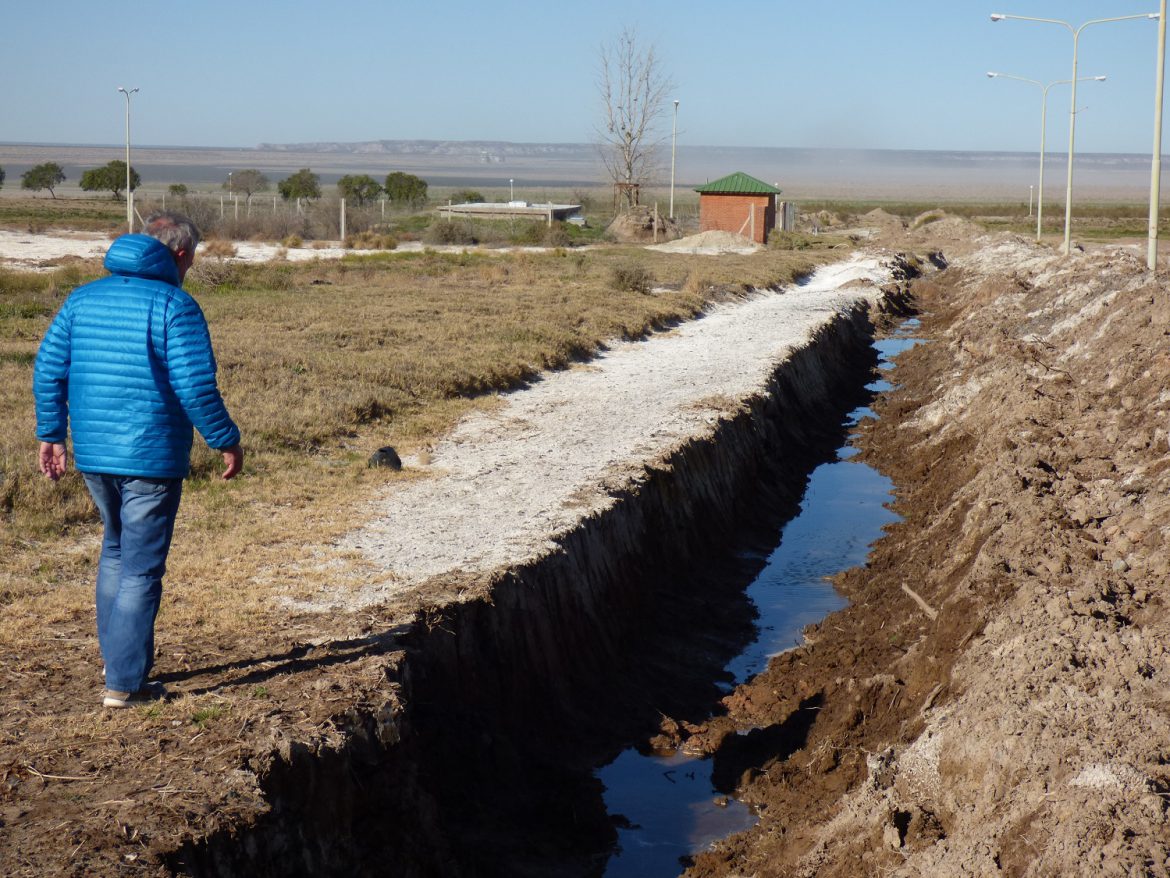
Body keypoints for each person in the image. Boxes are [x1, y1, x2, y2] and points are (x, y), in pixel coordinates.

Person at [33, 212, 243, 709]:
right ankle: (125, 684)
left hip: (95, 454)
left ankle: (117, 661)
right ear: (181, 254)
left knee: (116, 550)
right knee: (141, 570)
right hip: (151, 456)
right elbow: (194, 384)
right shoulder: (176, 305)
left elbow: (48, 367)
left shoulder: (81, 299)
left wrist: (50, 433)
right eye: (192, 255)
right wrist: (225, 439)